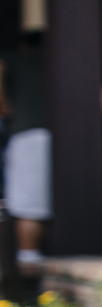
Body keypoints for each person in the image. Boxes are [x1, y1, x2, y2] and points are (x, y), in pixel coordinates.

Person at [0, 31, 49, 272]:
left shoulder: (15, 60)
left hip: (29, 134)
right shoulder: (75, 63)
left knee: (29, 205)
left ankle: (29, 264)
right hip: (76, 142)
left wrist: (5, 107)